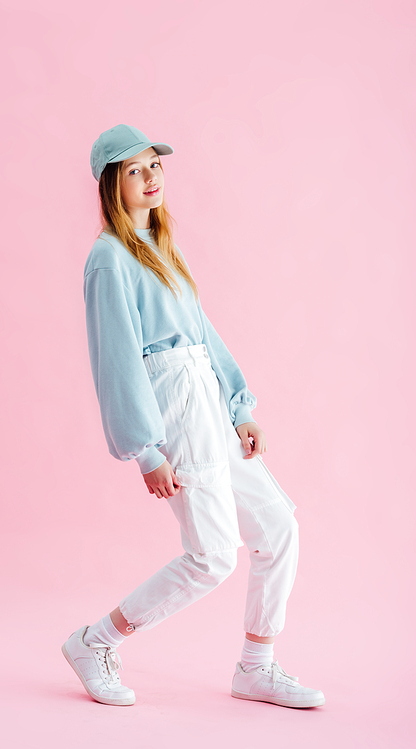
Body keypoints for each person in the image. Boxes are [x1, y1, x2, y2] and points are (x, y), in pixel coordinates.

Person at [62, 123, 325, 709]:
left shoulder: (161, 247)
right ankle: (94, 641)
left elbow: (202, 335)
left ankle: (257, 666)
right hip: (172, 405)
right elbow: (118, 359)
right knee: (211, 557)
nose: (151, 177)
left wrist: (240, 405)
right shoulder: (109, 258)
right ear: (112, 184)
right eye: (135, 170)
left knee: (277, 525)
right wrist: (146, 449)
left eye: (155, 165)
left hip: (205, 392)